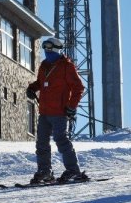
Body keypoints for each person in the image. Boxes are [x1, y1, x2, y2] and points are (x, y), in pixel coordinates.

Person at [26, 37, 86, 183]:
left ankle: (73, 171)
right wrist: (32, 88)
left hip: (60, 112)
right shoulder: (44, 65)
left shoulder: (66, 66)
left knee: (61, 140)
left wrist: (72, 106)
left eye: (49, 48)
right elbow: (41, 83)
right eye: (45, 48)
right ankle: (45, 172)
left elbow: (78, 87)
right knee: (41, 143)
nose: (47, 51)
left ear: (57, 49)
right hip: (45, 112)